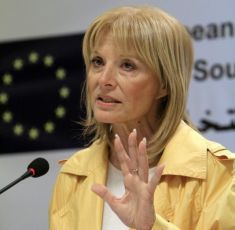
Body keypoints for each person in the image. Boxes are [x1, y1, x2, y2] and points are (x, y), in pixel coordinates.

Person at [49, 5, 235, 230]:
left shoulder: (219, 173)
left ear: (165, 84)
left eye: (127, 65)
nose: (104, 79)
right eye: (98, 62)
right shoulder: (74, 174)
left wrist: (151, 226)